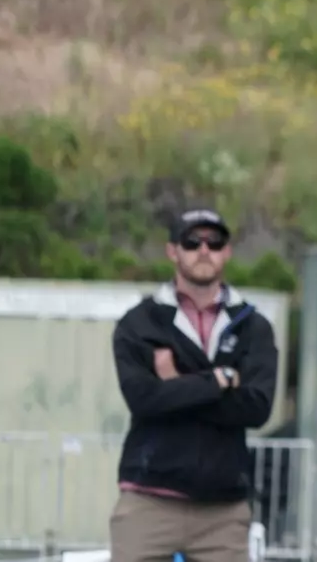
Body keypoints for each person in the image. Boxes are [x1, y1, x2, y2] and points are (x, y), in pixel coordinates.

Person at [110, 206, 280, 562]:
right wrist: (217, 380)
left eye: (215, 242)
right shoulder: (140, 322)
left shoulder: (255, 326)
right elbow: (143, 400)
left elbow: (256, 408)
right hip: (148, 501)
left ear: (227, 252)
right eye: (192, 241)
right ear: (173, 251)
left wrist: (176, 385)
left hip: (224, 510)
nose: (204, 250)